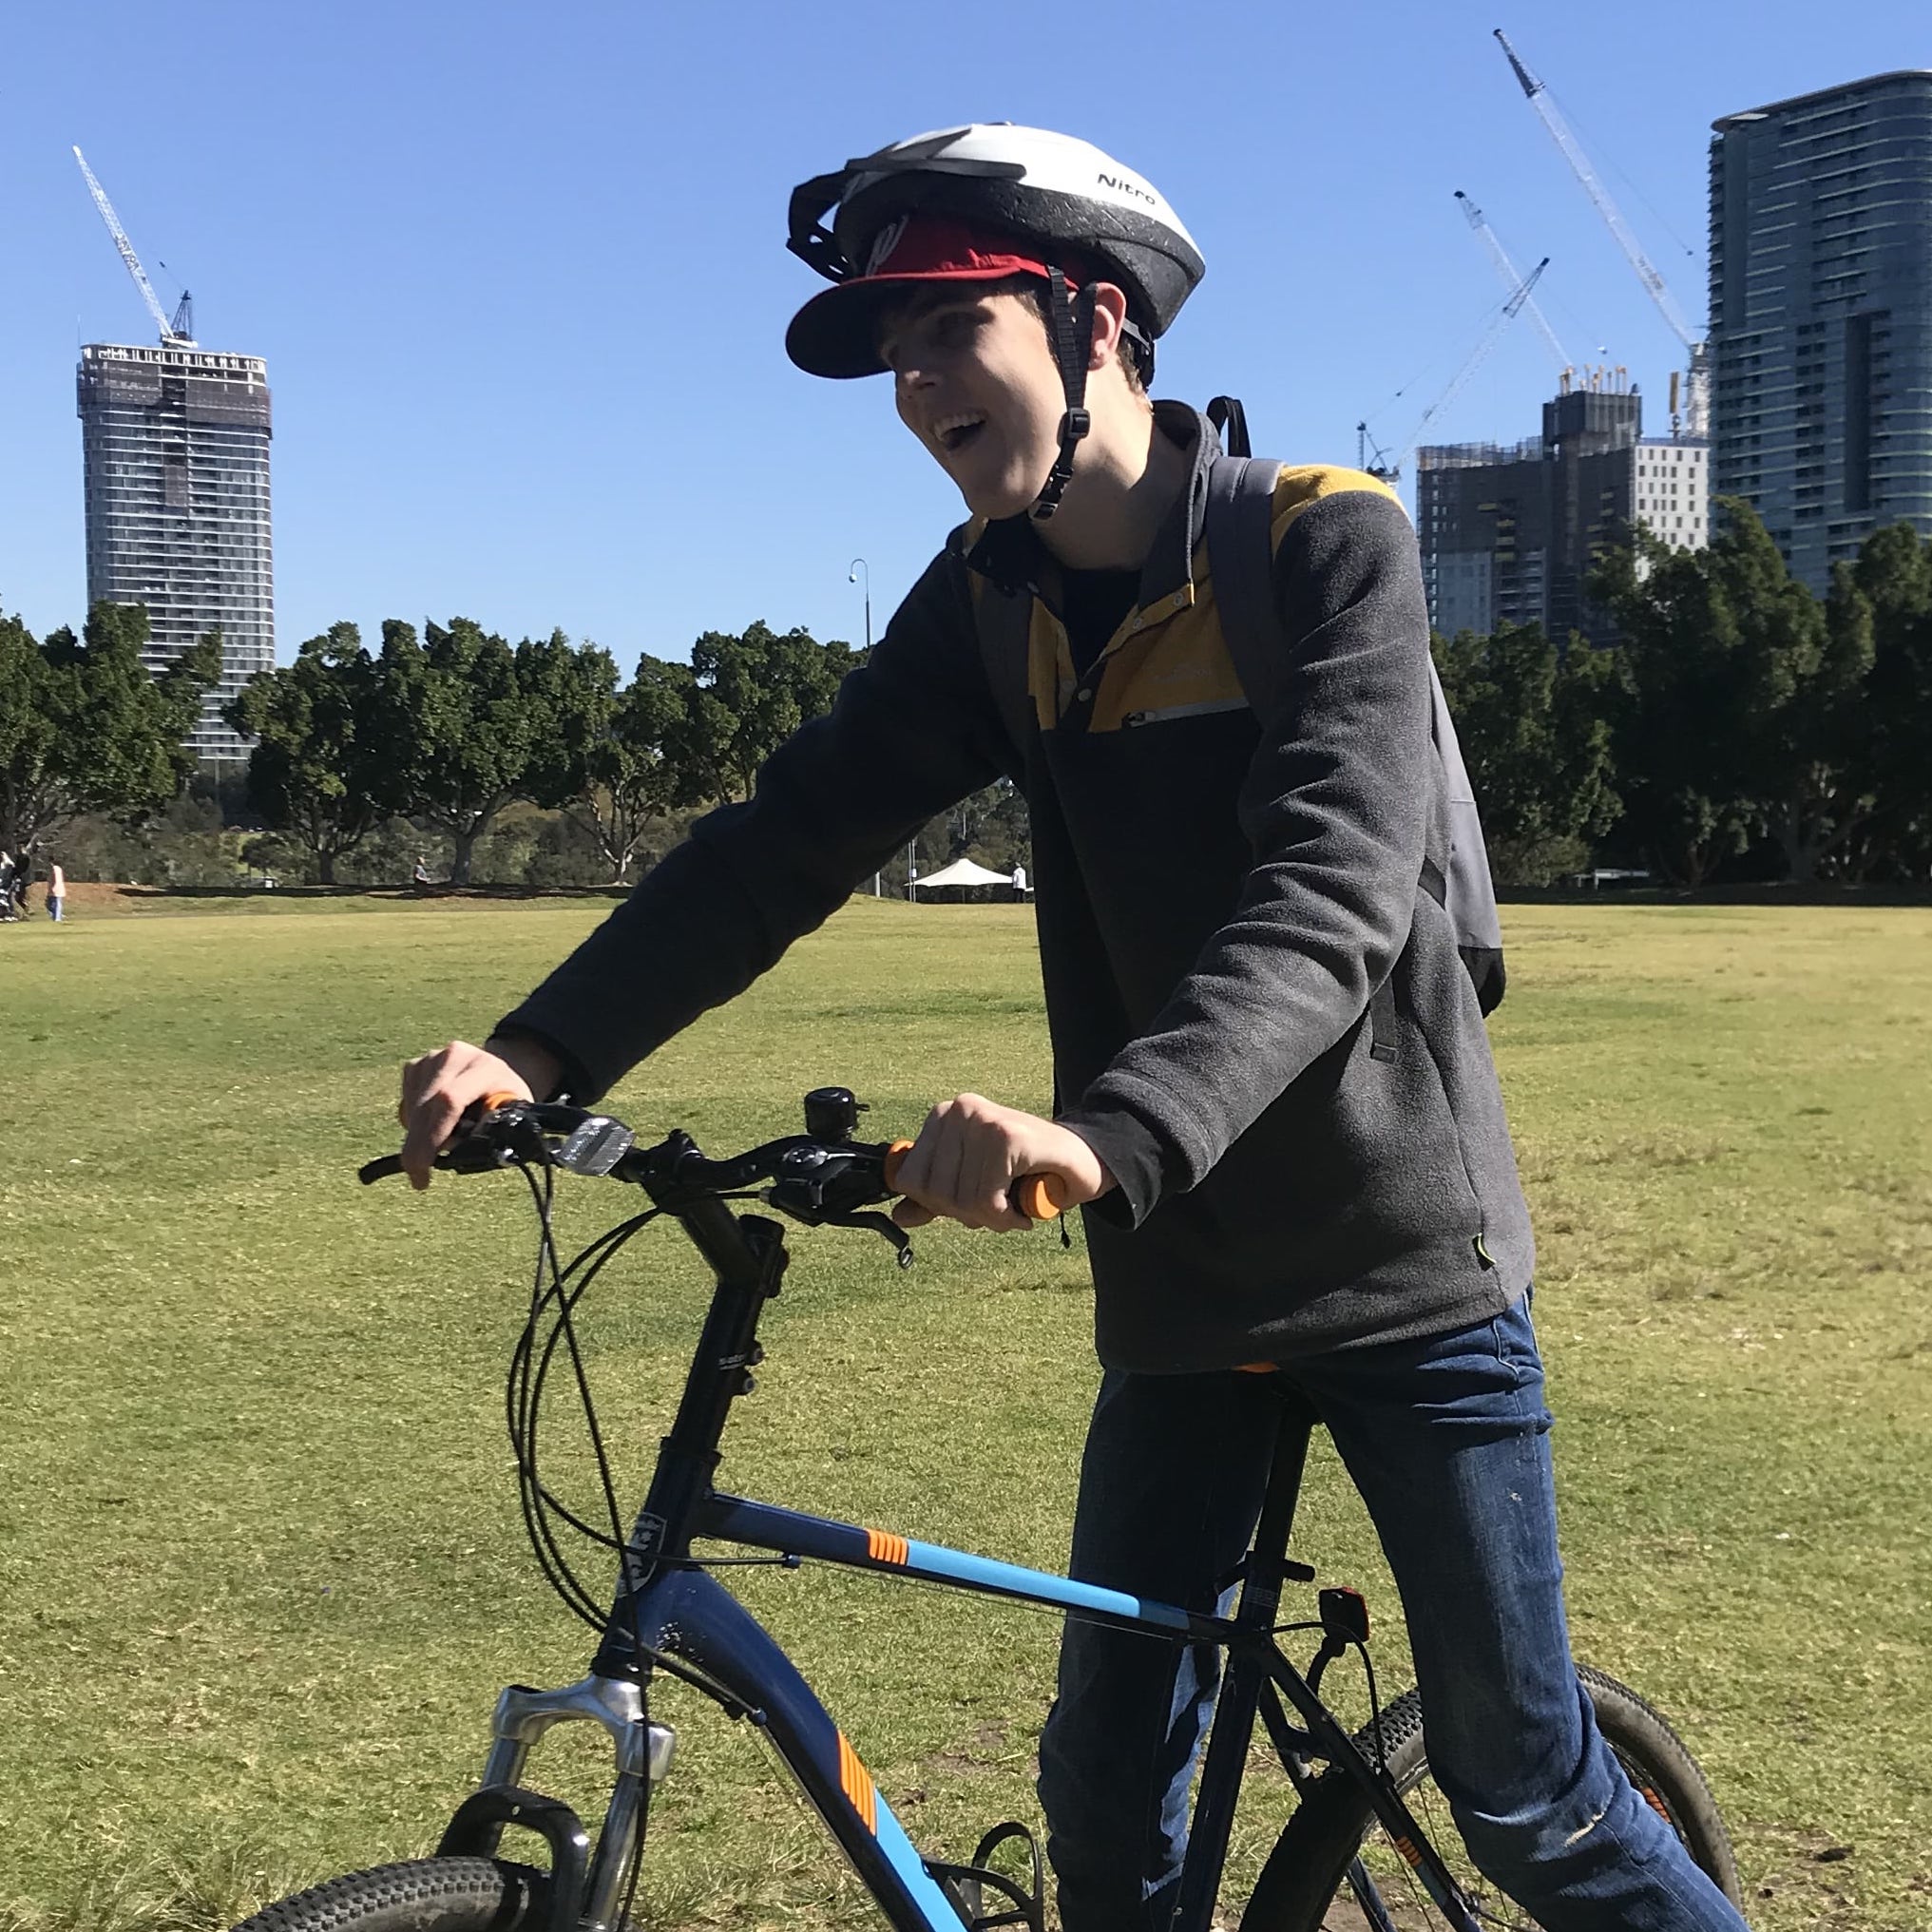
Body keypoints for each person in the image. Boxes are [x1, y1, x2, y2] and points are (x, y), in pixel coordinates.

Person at [398, 126, 1747, 1932]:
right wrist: (539, 1052)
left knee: (1526, 1796)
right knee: (1106, 1816)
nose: (913, 383)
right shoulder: (991, 607)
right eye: (890, 352)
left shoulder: (1322, 544)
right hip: (1183, 1288)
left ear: (1095, 320)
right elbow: (780, 843)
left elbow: (1328, 900)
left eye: (945, 328)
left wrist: (1103, 1131)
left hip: (1402, 1267)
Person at [46, 859, 65, 923]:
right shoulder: (59, 869)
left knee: (55, 904)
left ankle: (57, 917)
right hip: (58, 888)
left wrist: (52, 888)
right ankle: (57, 916)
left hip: (55, 889)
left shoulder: (54, 869)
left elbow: (54, 879)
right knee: (56, 903)